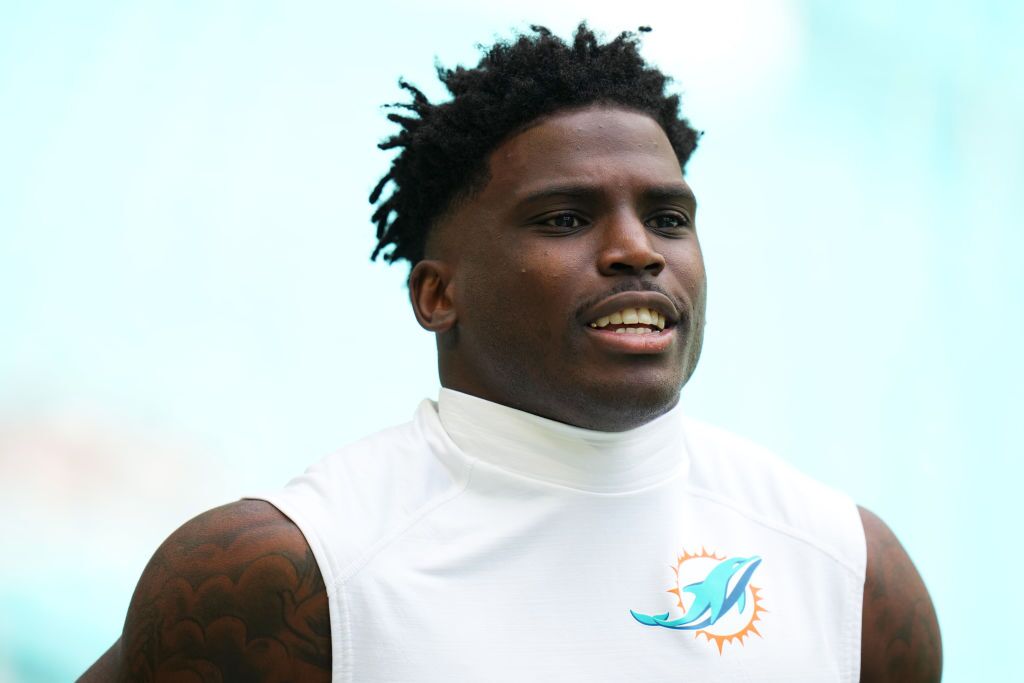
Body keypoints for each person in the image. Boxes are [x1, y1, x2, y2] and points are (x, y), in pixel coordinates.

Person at [80, 24, 941, 682]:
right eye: (565, 218)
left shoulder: (851, 571)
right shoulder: (292, 573)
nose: (638, 250)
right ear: (438, 294)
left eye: (668, 218)